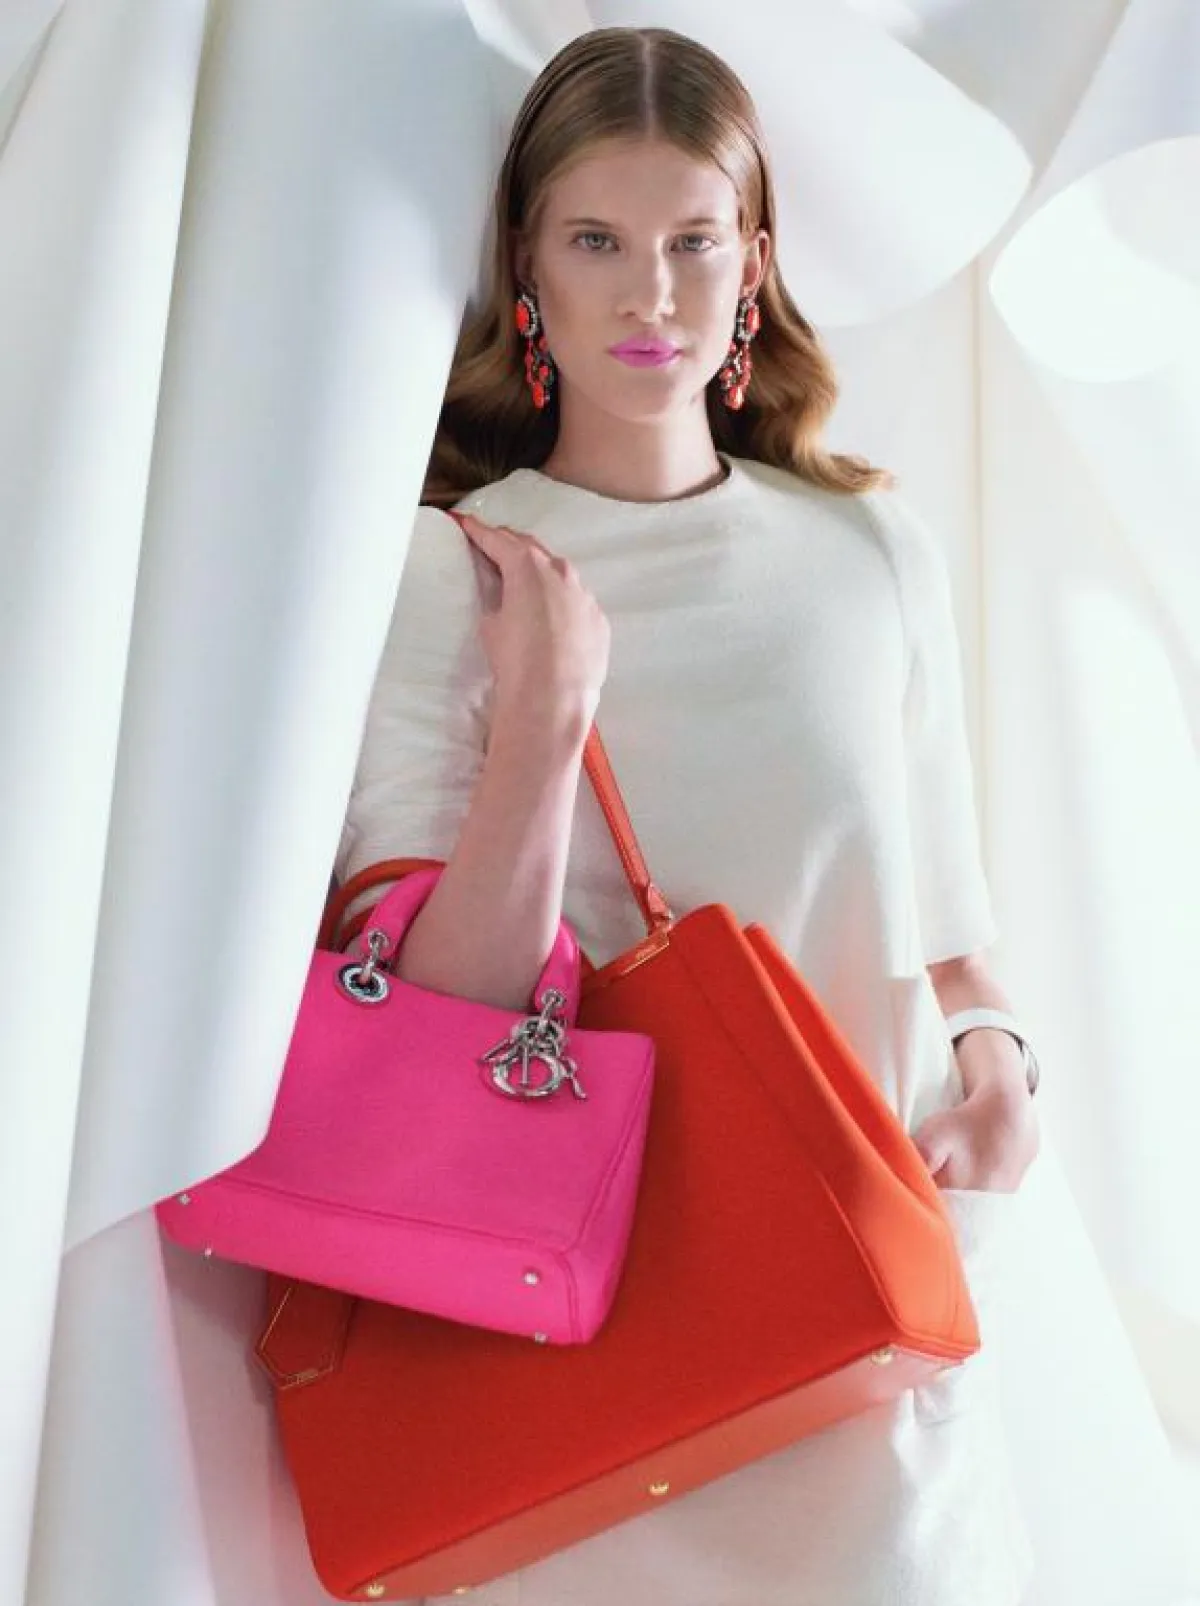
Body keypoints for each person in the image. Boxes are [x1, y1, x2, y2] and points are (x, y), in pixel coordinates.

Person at [334, 24, 1043, 1606]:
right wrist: (547, 716)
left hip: (865, 1348)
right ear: (528, 268)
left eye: (693, 241)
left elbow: (952, 937)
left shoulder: (872, 550)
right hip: (583, 1373)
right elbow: (434, 1018)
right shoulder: (459, 568)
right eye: (596, 240)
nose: (650, 294)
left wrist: (1004, 1074)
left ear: (753, 266)